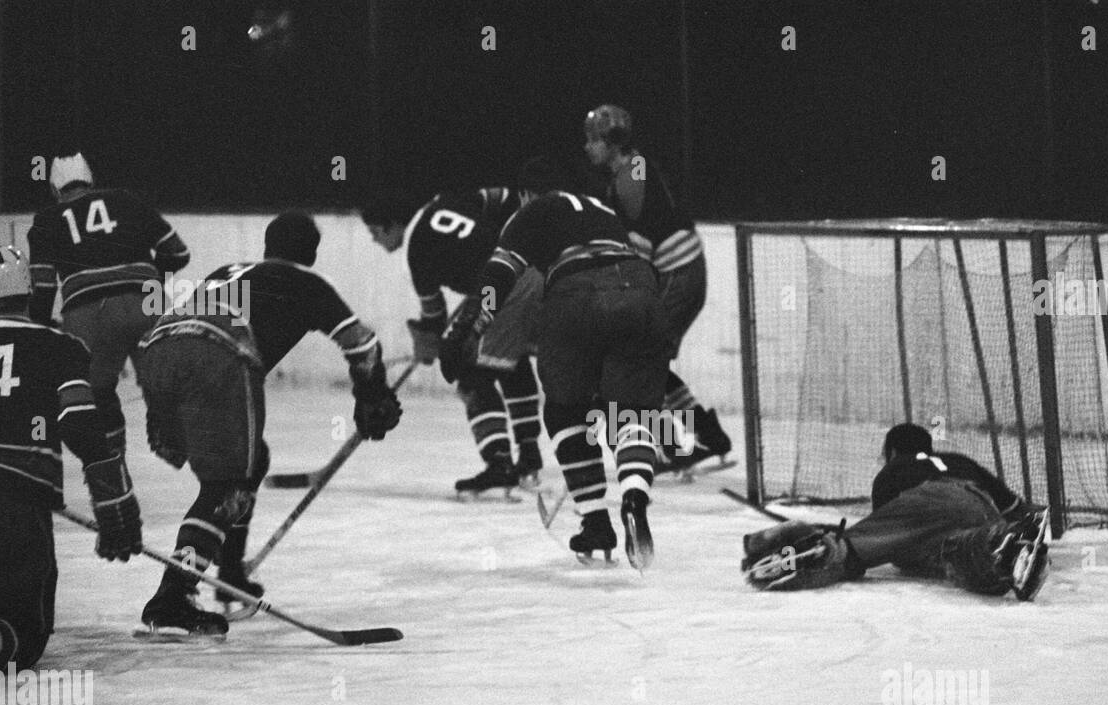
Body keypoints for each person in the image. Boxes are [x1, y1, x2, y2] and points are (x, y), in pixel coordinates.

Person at [135, 212, 401, 637]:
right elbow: (362, 342)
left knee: (253, 460)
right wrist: (373, 395)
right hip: (217, 355)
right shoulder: (308, 283)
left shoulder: (228, 272)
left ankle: (229, 570)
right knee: (228, 485)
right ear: (311, 253)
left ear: (266, 245)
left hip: (157, 351)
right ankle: (173, 593)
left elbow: (186, 326)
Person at [443, 157, 666, 569]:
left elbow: (499, 275)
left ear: (527, 195)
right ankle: (634, 494)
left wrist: (471, 327)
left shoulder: (527, 214)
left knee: (566, 411)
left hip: (576, 294)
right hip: (639, 286)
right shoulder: (602, 210)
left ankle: (596, 521)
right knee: (630, 412)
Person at [0, 245, 143, 670]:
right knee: (26, 631)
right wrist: (114, 502)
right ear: (26, 294)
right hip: (17, 501)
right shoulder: (59, 345)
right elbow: (78, 425)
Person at [361, 188, 544, 496]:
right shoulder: (446, 200)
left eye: (375, 232)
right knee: (510, 362)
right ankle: (529, 458)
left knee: (470, 375)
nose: (374, 240)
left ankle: (499, 465)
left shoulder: (412, 255)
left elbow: (435, 316)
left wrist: (428, 343)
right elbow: (506, 198)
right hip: (535, 271)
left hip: (499, 290)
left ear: (393, 224)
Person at [583, 104, 732, 472]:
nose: (587, 148)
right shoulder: (632, 168)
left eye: (592, 140)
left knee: (638, 360)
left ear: (610, 142)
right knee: (648, 361)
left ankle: (677, 443)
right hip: (682, 273)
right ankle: (704, 437)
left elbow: (640, 243)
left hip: (677, 276)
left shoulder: (630, 176)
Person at [741, 424, 1049, 600]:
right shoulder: (959, 459)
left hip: (932, 498)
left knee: (859, 546)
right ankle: (999, 550)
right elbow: (1015, 508)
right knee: (953, 552)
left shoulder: (893, 470)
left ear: (892, 451)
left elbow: (891, 537)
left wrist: (860, 541)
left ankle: (821, 550)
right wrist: (1025, 524)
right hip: (983, 509)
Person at [26, 152, 190, 456]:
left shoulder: (45, 221)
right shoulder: (127, 200)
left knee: (96, 394)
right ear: (91, 181)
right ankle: (170, 437)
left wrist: (40, 327)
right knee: (162, 381)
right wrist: (149, 279)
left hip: (88, 313)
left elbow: (44, 287)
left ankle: (112, 466)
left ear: (54, 189)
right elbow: (178, 253)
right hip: (146, 303)